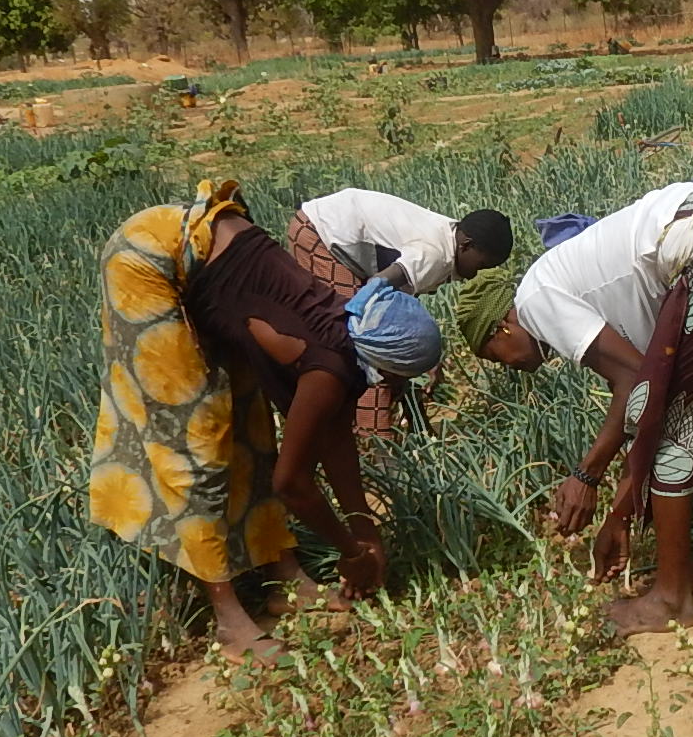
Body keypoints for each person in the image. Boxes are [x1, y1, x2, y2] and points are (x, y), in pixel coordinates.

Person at [90, 182, 444, 660]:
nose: (397, 388)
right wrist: (351, 552)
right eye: (402, 378)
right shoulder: (328, 368)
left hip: (210, 253)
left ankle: (286, 579)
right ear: (388, 363)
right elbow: (292, 483)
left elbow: (336, 444)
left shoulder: (352, 333)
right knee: (197, 443)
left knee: (251, 429)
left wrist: (365, 534)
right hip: (150, 260)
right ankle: (229, 619)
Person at [456, 176, 693, 636]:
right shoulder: (566, 285)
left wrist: (587, 475)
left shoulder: (535, 299)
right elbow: (642, 394)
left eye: (493, 357)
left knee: (680, 435)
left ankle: (669, 599)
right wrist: (620, 513)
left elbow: (633, 387)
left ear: (502, 329)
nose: (509, 368)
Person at [285, 190, 514, 433]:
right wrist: (357, 320)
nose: (478, 273)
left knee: (390, 347)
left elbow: (401, 306)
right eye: (481, 265)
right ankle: (374, 439)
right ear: (466, 246)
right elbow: (378, 284)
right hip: (320, 234)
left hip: (331, 231)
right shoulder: (436, 254)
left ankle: (399, 426)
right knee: (372, 353)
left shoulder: (449, 240)